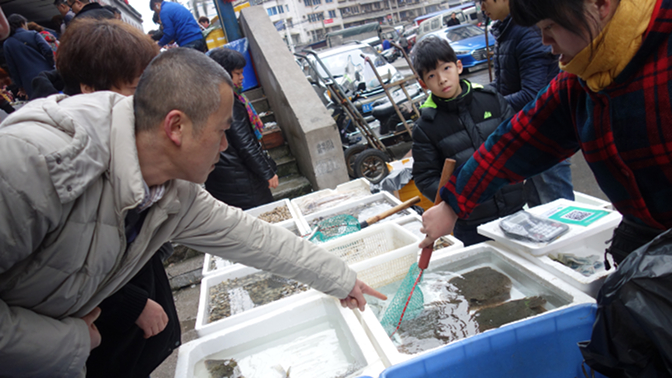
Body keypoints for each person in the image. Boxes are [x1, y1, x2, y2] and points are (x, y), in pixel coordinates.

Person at [0, 47, 385, 377]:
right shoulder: (32, 163)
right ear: (176, 126)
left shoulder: (173, 192)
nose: (223, 146)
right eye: (220, 132)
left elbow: (254, 238)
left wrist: (342, 279)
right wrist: (67, 341)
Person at [420, 0, 672, 266]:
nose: (545, 42)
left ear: (599, 4)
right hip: (649, 248)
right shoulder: (580, 78)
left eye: (550, 26)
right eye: (539, 28)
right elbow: (515, 141)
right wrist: (453, 203)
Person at [411, 36, 525, 246]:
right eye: (432, 75)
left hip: (515, 208)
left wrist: (521, 179)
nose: (442, 79)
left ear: (459, 66)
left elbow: (517, 141)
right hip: (472, 223)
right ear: (423, 83)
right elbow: (425, 176)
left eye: (446, 68)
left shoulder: (490, 99)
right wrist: (453, 200)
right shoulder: (426, 127)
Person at [481, 0, 574, 208]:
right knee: (538, 207)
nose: (481, 7)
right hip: (525, 134)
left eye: (483, 1)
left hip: (547, 134)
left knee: (558, 206)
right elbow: (504, 85)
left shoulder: (527, 33)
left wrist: (490, 106)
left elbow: (533, 94)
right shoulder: (505, 32)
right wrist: (479, 96)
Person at [205, 48, 279, 210]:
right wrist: (267, 172)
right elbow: (246, 145)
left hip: (220, 180)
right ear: (224, 74)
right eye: (237, 73)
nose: (242, 77)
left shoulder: (206, 99)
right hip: (241, 181)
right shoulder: (229, 103)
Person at [3, 14, 54, 99]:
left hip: (28, 81)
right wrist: (51, 64)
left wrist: (20, 85)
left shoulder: (7, 44)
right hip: (47, 73)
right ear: (22, 23)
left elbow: (12, 68)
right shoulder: (33, 34)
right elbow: (48, 50)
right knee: (55, 99)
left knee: (39, 105)